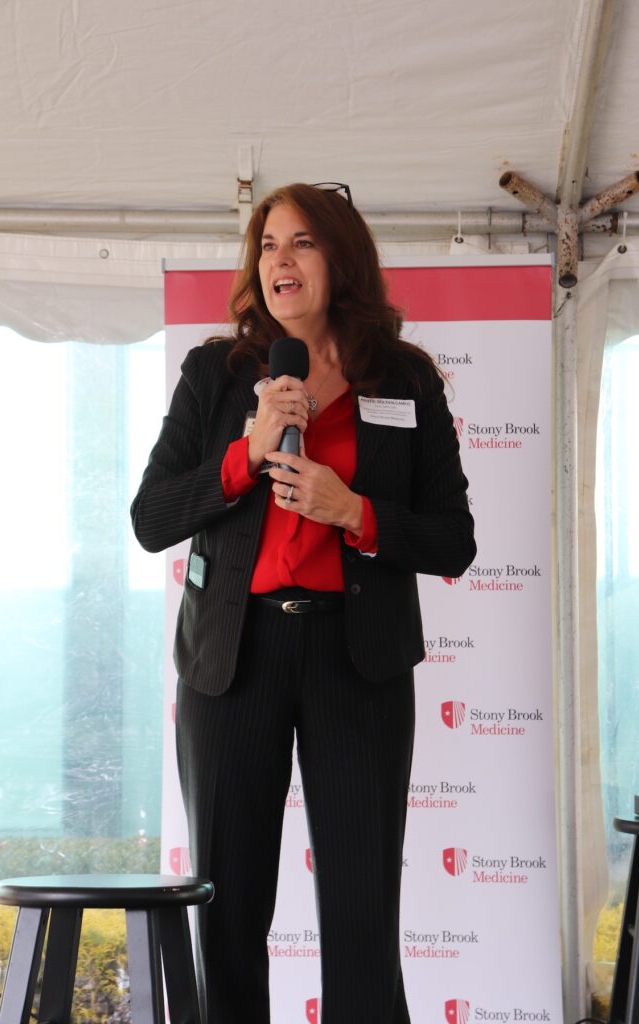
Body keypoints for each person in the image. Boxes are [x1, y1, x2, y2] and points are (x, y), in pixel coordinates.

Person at [131, 182, 476, 1024]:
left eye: (302, 242)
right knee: (227, 908)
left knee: (361, 912)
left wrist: (353, 511)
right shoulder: (217, 374)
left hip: (356, 662)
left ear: (341, 258)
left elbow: (451, 540)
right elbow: (151, 519)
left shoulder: (403, 379)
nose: (279, 260)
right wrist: (243, 454)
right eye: (267, 245)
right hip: (234, 659)